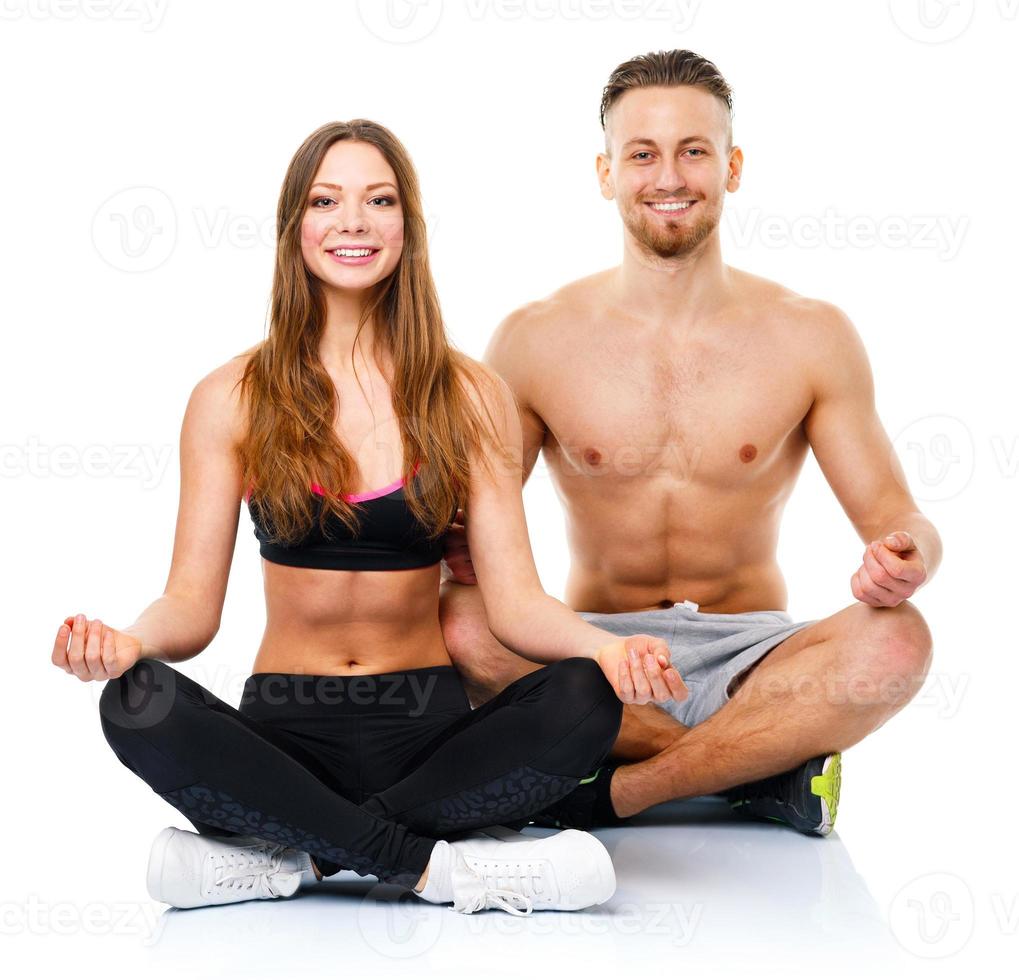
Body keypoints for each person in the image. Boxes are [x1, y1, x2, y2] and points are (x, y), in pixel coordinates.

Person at [53, 119, 687, 916]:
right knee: (133, 701)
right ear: (295, 230)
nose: (352, 221)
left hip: (426, 735)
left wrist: (608, 648)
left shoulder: (469, 395)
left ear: (406, 228)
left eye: (377, 200)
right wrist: (129, 643)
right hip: (282, 738)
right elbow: (190, 605)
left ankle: (295, 860)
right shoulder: (230, 397)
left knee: (585, 697)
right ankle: (439, 873)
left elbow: (519, 607)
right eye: (326, 200)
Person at [439, 49, 940, 837]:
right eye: (641, 153)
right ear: (606, 173)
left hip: (755, 657)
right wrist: (450, 544)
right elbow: (472, 520)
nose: (667, 176)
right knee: (458, 623)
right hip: (592, 651)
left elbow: (897, 518)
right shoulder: (533, 339)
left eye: (692, 150)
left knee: (897, 643)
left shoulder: (811, 334)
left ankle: (620, 791)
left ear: (731, 166)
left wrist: (904, 558)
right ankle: (752, 774)